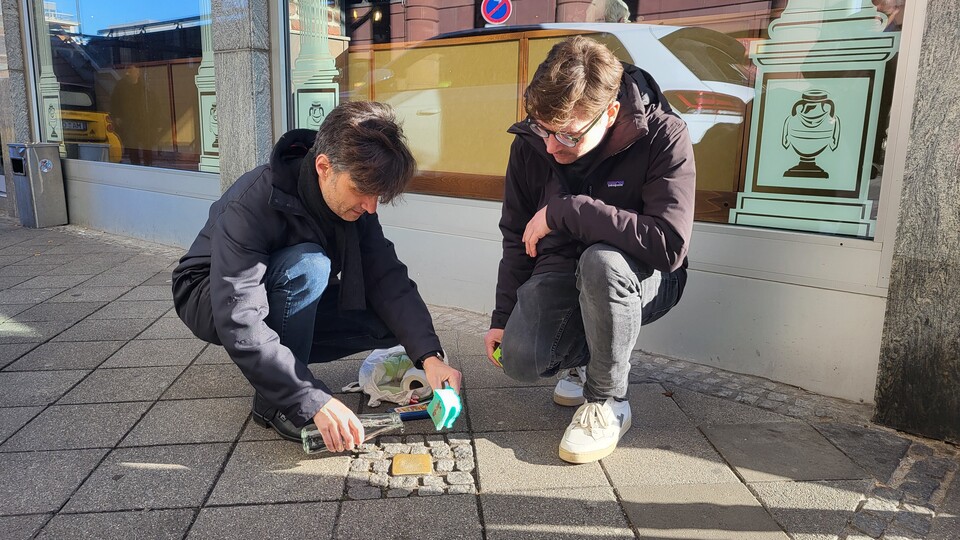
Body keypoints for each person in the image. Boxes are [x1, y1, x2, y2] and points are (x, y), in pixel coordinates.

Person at [172, 101, 462, 453]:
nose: (371, 206)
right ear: (324, 167)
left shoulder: (354, 201)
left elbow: (387, 277)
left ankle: (283, 369)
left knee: (387, 322)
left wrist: (429, 356)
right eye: (363, 191)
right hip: (208, 293)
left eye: (378, 195)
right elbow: (239, 316)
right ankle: (278, 403)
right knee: (308, 266)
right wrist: (310, 399)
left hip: (272, 290)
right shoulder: (254, 201)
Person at [483, 37, 695, 464]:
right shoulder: (531, 144)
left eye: (567, 134)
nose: (551, 146)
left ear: (611, 112)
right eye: (543, 128)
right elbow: (515, 236)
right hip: (563, 268)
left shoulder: (664, 135)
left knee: (602, 262)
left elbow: (668, 245)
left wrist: (567, 210)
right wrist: (502, 317)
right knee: (520, 361)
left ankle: (607, 400)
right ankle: (588, 362)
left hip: (644, 277)